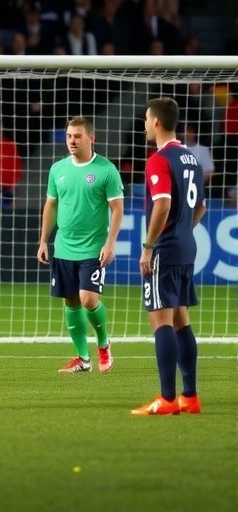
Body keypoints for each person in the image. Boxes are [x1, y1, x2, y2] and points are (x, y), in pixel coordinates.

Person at [131, 97, 206, 415]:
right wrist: (183, 231)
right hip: (187, 247)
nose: (145, 125)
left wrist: (149, 246)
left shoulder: (158, 159)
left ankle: (167, 399)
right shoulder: (192, 159)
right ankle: (189, 397)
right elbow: (201, 206)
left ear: (157, 122)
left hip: (165, 249)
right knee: (180, 320)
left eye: (147, 120)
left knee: (160, 320)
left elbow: (161, 204)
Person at [37, 117, 124, 374]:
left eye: (77, 136)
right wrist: (43, 241)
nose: (72, 141)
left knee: (88, 299)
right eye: (69, 136)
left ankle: (103, 344)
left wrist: (110, 243)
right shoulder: (58, 169)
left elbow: (117, 209)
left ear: (91, 138)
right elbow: (51, 205)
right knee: (72, 302)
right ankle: (82, 358)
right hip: (64, 247)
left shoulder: (106, 170)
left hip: (93, 248)